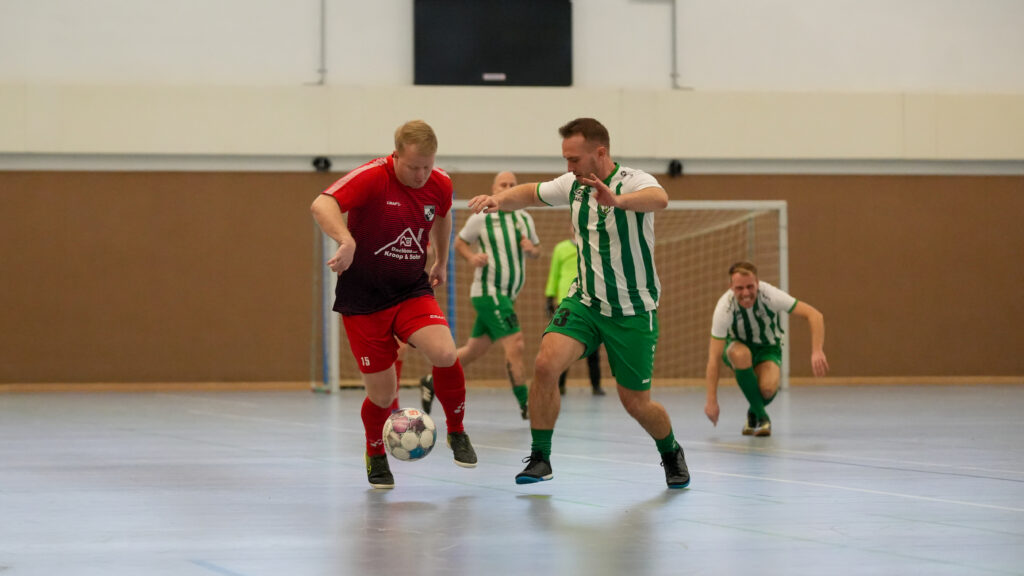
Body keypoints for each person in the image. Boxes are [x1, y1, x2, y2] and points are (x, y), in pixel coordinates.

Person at [467, 117, 690, 489]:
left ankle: (670, 451)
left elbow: (661, 198)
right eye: (565, 159)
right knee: (544, 364)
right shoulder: (572, 185)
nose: (568, 167)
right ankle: (541, 458)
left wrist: (616, 201)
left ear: (599, 153)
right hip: (585, 302)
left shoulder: (633, 181)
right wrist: (498, 200)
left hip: (632, 311)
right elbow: (530, 193)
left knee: (636, 403)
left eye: (574, 159)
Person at [310, 120, 477, 489]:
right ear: (396, 155)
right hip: (364, 299)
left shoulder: (440, 182)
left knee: (445, 352)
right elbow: (322, 203)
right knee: (383, 395)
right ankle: (374, 453)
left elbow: (444, 215)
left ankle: (457, 430)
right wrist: (346, 240)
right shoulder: (373, 176)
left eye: (427, 167)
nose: (420, 175)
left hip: (410, 290)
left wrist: (442, 259)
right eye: (413, 166)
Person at [419, 171, 541, 420]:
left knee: (475, 350)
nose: (508, 187)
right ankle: (526, 404)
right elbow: (460, 243)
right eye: (503, 184)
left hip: (508, 295)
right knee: (515, 343)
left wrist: (532, 250)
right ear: (494, 188)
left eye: (512, 185)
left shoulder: (525, 218)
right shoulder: (483, 217)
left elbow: (536, 251)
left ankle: (431, 379)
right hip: (489, 292)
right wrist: (472, 257)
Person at [703, 261, 829, 436]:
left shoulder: (771, 295)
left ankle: (753, 412)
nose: (746, 293)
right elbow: (714, 359)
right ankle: (763, 418)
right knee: (741, 354)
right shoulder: (724, 307)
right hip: (736, 347)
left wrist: (817, 351)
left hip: (768, 347)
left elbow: (815, 315)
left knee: (768, 390)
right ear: (731, 287)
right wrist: (711, 401)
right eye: (740, 288)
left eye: (750, 287)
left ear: (758, 283)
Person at [545, 234, 605, 396]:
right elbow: (554, 274)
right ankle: (560, 385)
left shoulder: (594, 246)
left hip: (590, 302)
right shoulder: (561, 248)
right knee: (563, 347)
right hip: (566, 302)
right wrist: (549, 297)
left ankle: (596, 385)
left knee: (593, 348)